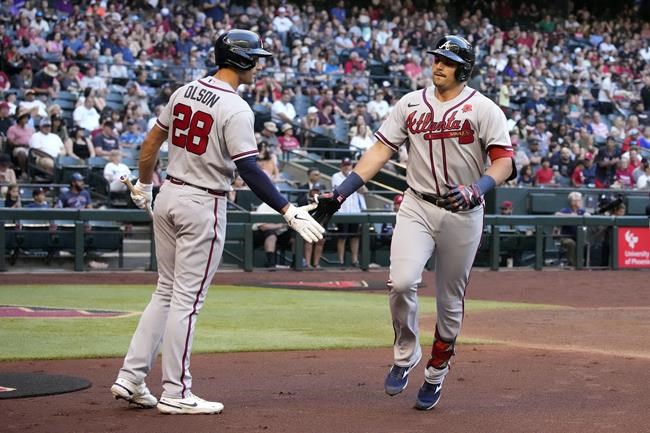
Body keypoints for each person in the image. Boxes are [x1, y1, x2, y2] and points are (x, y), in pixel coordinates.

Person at [111, 29, 324, 415]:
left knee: (165, 292)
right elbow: (250, 170)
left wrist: (143, 184)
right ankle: (176, 390)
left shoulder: (183, 90)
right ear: (240, 59)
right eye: (255, 58)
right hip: (203, 202)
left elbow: (150, 143)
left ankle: (131, 376)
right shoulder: (237, 108)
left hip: (169, 194)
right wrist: (287, 210)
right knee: (187, 303)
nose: (259, 65)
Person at [310, 35, 514, 410]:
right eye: (437, 58)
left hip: (463, 212)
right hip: (417, 205)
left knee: (450, 301)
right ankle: (406, 356)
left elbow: (504, 162)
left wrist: (479, 187)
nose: (438, 65)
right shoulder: (409, 104)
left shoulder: (485, 109)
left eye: (448, 61)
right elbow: (380, 151)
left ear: (464, 70)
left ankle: (437, 371)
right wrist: (342, 191)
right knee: (401, 282)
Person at [331, 157, 366, 267]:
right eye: (345, 165)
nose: (347, 167)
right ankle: (341, 261)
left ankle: (355, 260)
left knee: (355, 237)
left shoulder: (356, 175)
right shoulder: (336, 176)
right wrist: (354, 182)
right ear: (341, 166)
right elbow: (340, 190)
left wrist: (357, 180)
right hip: (342, 211)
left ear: (351, 166)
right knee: (342, 237)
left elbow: (364, 191)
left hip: (355, 210)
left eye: (348, 165)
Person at [554, 191, 589, 267]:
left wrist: (580, 214)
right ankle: (572, 264)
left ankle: (584, 264)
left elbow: (588, 216)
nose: (579, 202)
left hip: (579, 237)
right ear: (572, 201)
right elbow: (557, 214)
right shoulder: (566, 210)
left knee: (584, 243)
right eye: (576, 200)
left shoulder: (582, 211)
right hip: (565, 237)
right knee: (571, 243)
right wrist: (571, 215)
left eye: (579, 200)